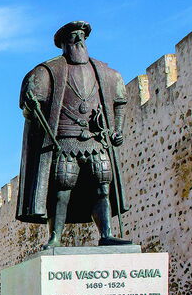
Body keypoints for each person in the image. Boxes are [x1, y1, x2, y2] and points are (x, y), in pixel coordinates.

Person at [16, 20, 132, 248]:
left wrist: (118, 130)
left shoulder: (105, 72)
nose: (78, 39)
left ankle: (106, 233)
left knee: (102, 187)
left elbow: (120, 102)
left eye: (82, 35)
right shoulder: (48, 71)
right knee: (62, 188)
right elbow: (30, 109)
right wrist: (30, 105)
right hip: (65, 140)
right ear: (63, 43)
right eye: (73, 36)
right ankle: (55, 237)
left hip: (97, 139)